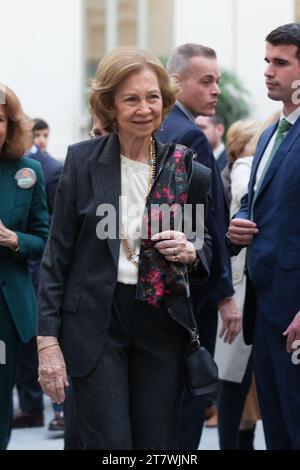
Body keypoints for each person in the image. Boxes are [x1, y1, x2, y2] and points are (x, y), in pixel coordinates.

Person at [37, 47, 213, 450]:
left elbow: (206, 251)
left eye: (152, 97)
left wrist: (191, 251)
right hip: (95, 323)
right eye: (131, 99)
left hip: (160, 322)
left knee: (157, 445)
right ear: (110, 105)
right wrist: (47, 341)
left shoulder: (190, 171)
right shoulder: (82, 162)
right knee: (109, 443)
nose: (144, 108)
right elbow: (56, 257)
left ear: (165, 101)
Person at [158, 43, 241, 449]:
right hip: (192, 290)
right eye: (206, 81)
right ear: (175, 81)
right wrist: (224, 293)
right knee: (188, 399)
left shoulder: (160, 126)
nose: (216, 90)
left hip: (160, 288)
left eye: (218, 81)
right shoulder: (189, 133)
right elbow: (205, 221)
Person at [228, 23, 300, 450]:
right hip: (265, 307)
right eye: (267, 61)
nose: (269, 71)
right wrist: (239, 221)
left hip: (293, 312)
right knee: (277, 431)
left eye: (281, 63)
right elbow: (257, 201)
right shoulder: (271, 133)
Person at [0, 84, 49, 450]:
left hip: (5, 311)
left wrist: (15, 240)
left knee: (1, 400)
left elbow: (44, 241)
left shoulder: (28, 172)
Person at [13, 119, 63, 432]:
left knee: (48, 335)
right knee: (22, 343)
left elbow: (55, 228)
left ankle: (59, 407)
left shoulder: (50, 168)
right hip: (19, 271)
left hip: (42, 268)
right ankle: (31, 407)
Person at [213, 119, 260, 449]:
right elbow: (247, 197)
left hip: (242, 287)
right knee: (235, 382)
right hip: (242, 290)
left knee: (241, 384)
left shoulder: (234, 167)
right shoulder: (244, 167)